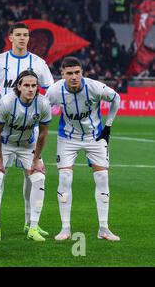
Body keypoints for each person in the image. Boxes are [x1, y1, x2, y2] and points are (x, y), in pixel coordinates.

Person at [0, 22, 54, 238]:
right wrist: (0, 103)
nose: (22, 38)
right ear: (10, 37)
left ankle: (31, 224)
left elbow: (49, 91)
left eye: (26, 35)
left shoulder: (39, 63)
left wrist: (35, 107)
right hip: (4, 127)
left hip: (28, 134)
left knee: (34, 177)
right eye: (18, 35)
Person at [45, 56, 121, 241]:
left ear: (82, 73)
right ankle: (65, 229)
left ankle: (104, 228)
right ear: (62, 74)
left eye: (77, 72)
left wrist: (108, 126)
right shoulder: (54, 91)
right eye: (69, 73)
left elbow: (115, 98)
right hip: (68, 138)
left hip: (95, 137)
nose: (73, 77)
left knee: (102, 177)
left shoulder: (94, 87)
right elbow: (43, 108)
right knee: (64, 177)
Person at [0, 70, 52, 242]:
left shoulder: (43, 104)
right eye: (26, 85)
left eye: (33, 85)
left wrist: (36, 159)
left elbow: (44, 134)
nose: (30, 89)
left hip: (27, 145)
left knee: (39, 179)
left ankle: (32, 226)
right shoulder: (7, 102)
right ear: (18, 86)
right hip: (4, 144)